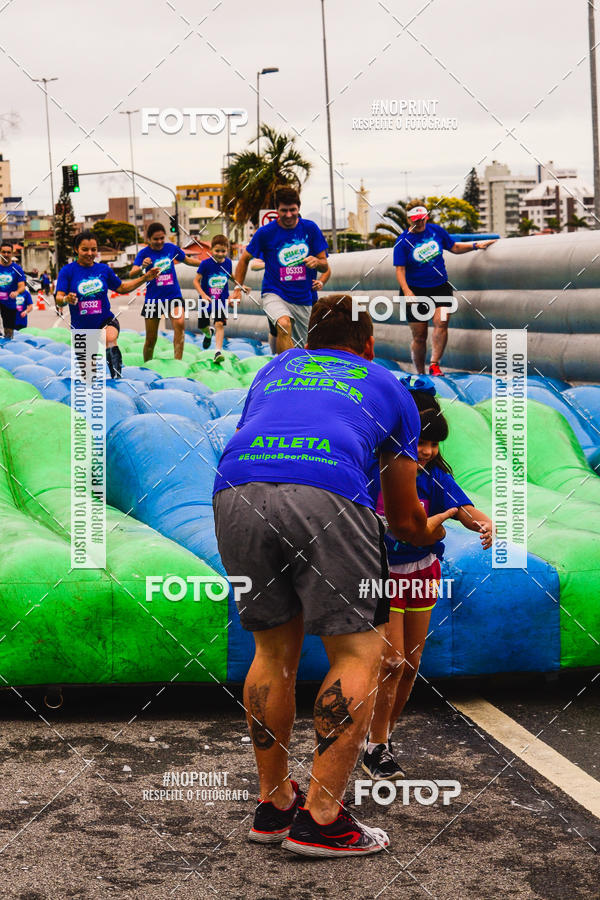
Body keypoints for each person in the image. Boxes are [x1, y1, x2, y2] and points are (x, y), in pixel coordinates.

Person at [213, 295, 456, 857]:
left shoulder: (275, 369)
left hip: (236, 487)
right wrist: (430, 534)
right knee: (359, 652)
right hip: (328, 490)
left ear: (308, 341)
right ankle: (322, 817)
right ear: (368, 344)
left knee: (271, 652)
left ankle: (274, 803)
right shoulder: (389, 386)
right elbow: (401, 517)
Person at [362, 384, 493, 780]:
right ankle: (373, 744)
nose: (428, 451)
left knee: (410, 664)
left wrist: (483, 524)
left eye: (435, 444)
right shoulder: (378, 470)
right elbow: (405, 532)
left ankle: (380, 740)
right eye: (422, 442)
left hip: (421, 574)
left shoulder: (433, 476)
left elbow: (465, 508)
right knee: (392, 661)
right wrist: (443, 518)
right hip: (383, 575)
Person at [393, 206, 497, 376]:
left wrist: (475, 245)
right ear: (409, 220)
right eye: (415, 219)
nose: (419, 222)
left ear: (426, 217)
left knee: (441, 322)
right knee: (420, 336)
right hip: (415, 290)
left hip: (439, 286)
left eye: (422, 218)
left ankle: (434, 364)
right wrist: (407, 291)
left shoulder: (436, 231)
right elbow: (400, 270)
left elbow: (454, 247)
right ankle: (420, 372)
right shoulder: (403, 241)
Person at [232, 186, 329, 354]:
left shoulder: (310, 229)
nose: (289, 215)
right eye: (284, 210)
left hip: (303, 298)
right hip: (274, 292)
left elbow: (325, 265)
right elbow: (244, 259)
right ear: (276, 209)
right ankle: (286, 374)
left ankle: (287, 366)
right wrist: (237, 288)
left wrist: (317, 262)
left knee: (304, 349)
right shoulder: (265, 233)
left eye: (293, 210)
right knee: (284, 324)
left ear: (299, 208)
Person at [56, 231, 159, 378]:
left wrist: (146, 277)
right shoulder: (67, 271)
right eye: (85, 249)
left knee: (110, 338)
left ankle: (117, 378)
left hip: (105, 320)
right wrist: (66, 299)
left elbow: (122, 288)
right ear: (76, 249)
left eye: (94, 249)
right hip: (81, 327)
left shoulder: (103, 270)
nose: (90, 253)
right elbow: (58, 298)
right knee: (89, 376)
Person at [129, 222, 200, 362]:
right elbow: (132, 273)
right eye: (156, 239)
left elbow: (187, 260)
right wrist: (142, 267)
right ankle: (147, 364)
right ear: (148, 239)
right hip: (153, 300)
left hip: (173, 296)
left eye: (162, 238)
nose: (160, 241)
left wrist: (207, 263)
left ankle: (178, 361)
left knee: (179, 323)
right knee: (151, 339)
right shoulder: (144, 253)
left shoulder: (171, 249)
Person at [193, 234, 233, 364]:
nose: (220, 254)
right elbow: (196, 281)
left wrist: (240, 285)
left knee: (219, 324)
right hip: (206, 301)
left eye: (223, 251)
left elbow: (230, 276)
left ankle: (217, 352)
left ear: (227, 250)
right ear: (211, 250)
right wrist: (203, 295)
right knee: (203, 326)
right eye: (217, 251)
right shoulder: (205, 264)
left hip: (221, 300)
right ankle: (208, 333)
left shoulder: (228, 263)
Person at [0, 240, 26, 340]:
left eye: (8, 252)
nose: (6, 254)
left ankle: (7, 346)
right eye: (3, 252)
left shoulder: (17, 269)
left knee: (9, 332)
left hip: (9, 303)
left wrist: (17, 292)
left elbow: (22, 286)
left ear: (12, 253)